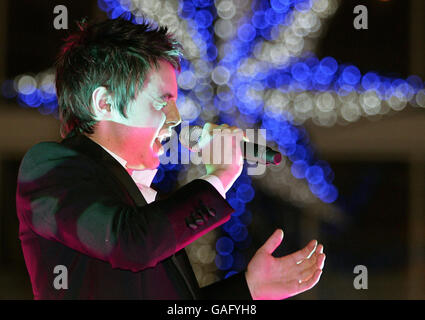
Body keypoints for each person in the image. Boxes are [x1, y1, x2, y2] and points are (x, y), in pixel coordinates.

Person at [16, 17, 325, 300]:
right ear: (104, 102)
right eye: (162, 102)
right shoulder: (50, 167)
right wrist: (220, 175)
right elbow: (132, 242)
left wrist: (249, 288)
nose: (176, 118)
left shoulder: (150, 208)